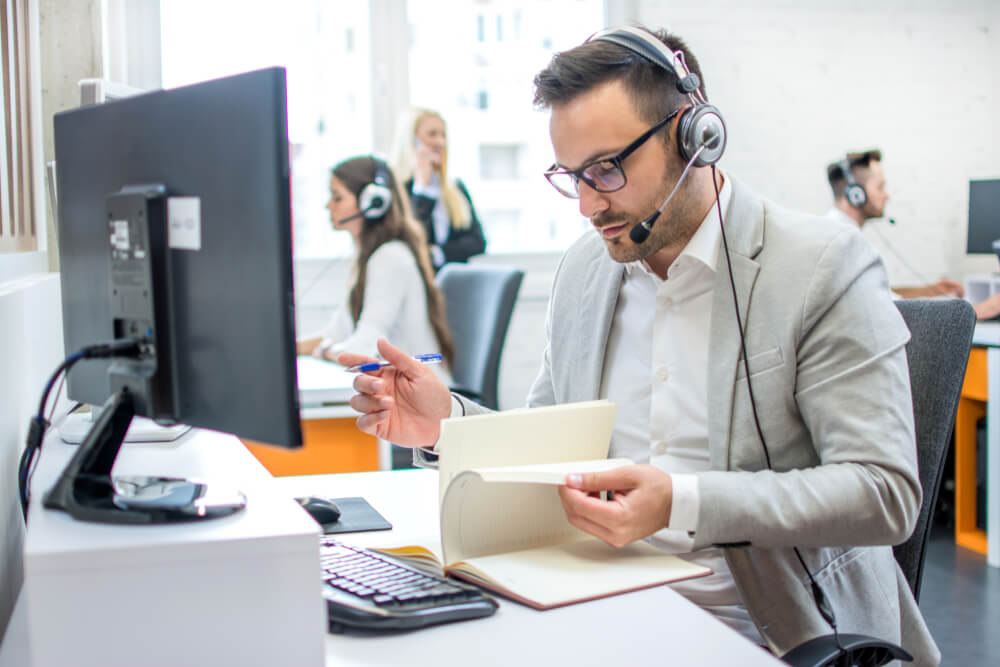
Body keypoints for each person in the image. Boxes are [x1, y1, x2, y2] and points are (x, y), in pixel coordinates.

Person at [341, 27, 938, 664]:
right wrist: (446, 427)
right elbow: (550, 444)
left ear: (694, 133)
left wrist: (679, 503)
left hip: (771, 629)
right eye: (572, 176)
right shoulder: (586, 271)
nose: (588, 205)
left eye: (607, 168)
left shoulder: (821, 265)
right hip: (599, 604)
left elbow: (883, 491)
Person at [297, 155, 454, 384]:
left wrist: (325, 351)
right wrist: (292, 348)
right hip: (403, 389)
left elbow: (363, 349)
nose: (328, 205)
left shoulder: (390, 258)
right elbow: (337, 332)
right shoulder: (369, 258)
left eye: (337, 197)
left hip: (425, 395)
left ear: (373, 203)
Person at [826, 150, 1000, 319]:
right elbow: (893, 311)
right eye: (880, 187)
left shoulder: (835, 231)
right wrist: (982, 309)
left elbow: (880, 294)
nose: (886, 195)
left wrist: (930, 291)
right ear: (857, 195)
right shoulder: (846, 242)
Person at [390, 108, 486, 271]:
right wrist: (422, 190)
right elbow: (409, 242)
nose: (441, 142)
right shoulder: (396, 189)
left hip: (453, 282)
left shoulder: (455, 188)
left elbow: (478, 242)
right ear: (411, 141)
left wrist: (437, 254)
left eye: (443, 135)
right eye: (432, 134)